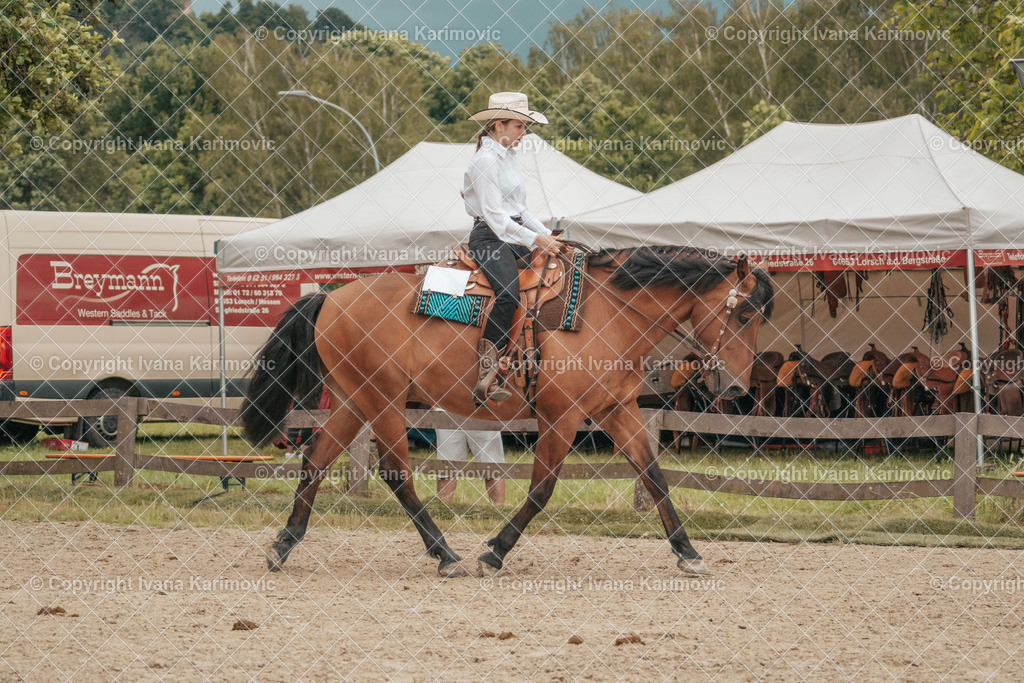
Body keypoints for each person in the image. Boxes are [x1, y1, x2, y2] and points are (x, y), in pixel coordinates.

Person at [463, 91, 565, 404]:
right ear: (498, 125)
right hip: (489, 239)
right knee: (507, 295)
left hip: (512, 236)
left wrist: (550, 235)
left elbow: (521, 210)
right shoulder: (484, 162)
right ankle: (487, 372)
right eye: (519, 126)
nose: (523, 133)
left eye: (524, 126)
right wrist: (537, 240)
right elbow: (495, 218)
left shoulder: (508, 158)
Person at [435, 425, 506, 505]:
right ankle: (444, 510)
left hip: (483, 415)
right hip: (449, 415)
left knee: (493, 467)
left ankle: (498, 511)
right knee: (446, 467)